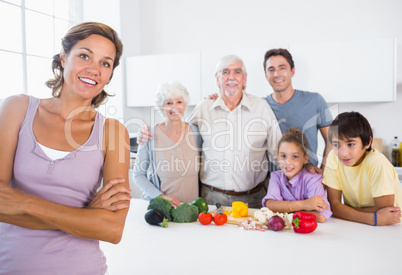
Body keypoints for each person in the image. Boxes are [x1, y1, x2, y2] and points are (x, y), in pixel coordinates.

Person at [0, 22, 132, 274]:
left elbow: (112, 229)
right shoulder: (17, 109)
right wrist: (84, 217)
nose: (93, 70)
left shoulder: (113, 132)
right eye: (84, 56)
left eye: (105, 63)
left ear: (109, 74)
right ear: (63, 58)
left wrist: (24, 203)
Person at [138, 55, 281, 208]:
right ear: (217, 79)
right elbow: (179, 133)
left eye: (237, 72)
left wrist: (300, 174)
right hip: (210, 199)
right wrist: (145, 134)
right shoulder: (204, 108)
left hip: (253, 199)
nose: (231, 77)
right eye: (225, 72)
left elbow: (278, 153)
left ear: (244, 79)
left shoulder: (261, 108)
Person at [323, 112, 402, 226]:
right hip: (362, 224)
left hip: (393, 226)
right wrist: (373, 218)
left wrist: (344, 210)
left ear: (368, 142)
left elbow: (387, 212)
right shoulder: (333, 158)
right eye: (336, 145)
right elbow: (333, 206)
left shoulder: (377, 163)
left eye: (350, 144)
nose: (343, 153)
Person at [263, 48, 333, 171]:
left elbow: (332, 140)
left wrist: (323, 171)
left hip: (307, 178)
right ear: (266, 75)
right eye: (271, 69)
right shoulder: (260, 105)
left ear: (292, 71)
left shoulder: (315, 100)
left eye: (282, 68)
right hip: (273, 181)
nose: (276, 74)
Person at [133, 81, 201, 207]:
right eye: (169, 103)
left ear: (185, 104)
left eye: (179, 102)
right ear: (161, 106)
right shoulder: (149, 135)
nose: (174, 107)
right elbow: (138, 175)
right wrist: (160, 197)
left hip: (193, 211)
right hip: (163, 210)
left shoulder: (196, 132)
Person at [262, 128, 332, 222]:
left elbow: (321, 216)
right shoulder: (276, 177)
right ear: (278, 156)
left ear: (305, 158)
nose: (288, 162)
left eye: (295, 156)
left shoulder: (312, 179)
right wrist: (303, 204)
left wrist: (284, 210)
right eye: (283, 156)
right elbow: (269, 205)